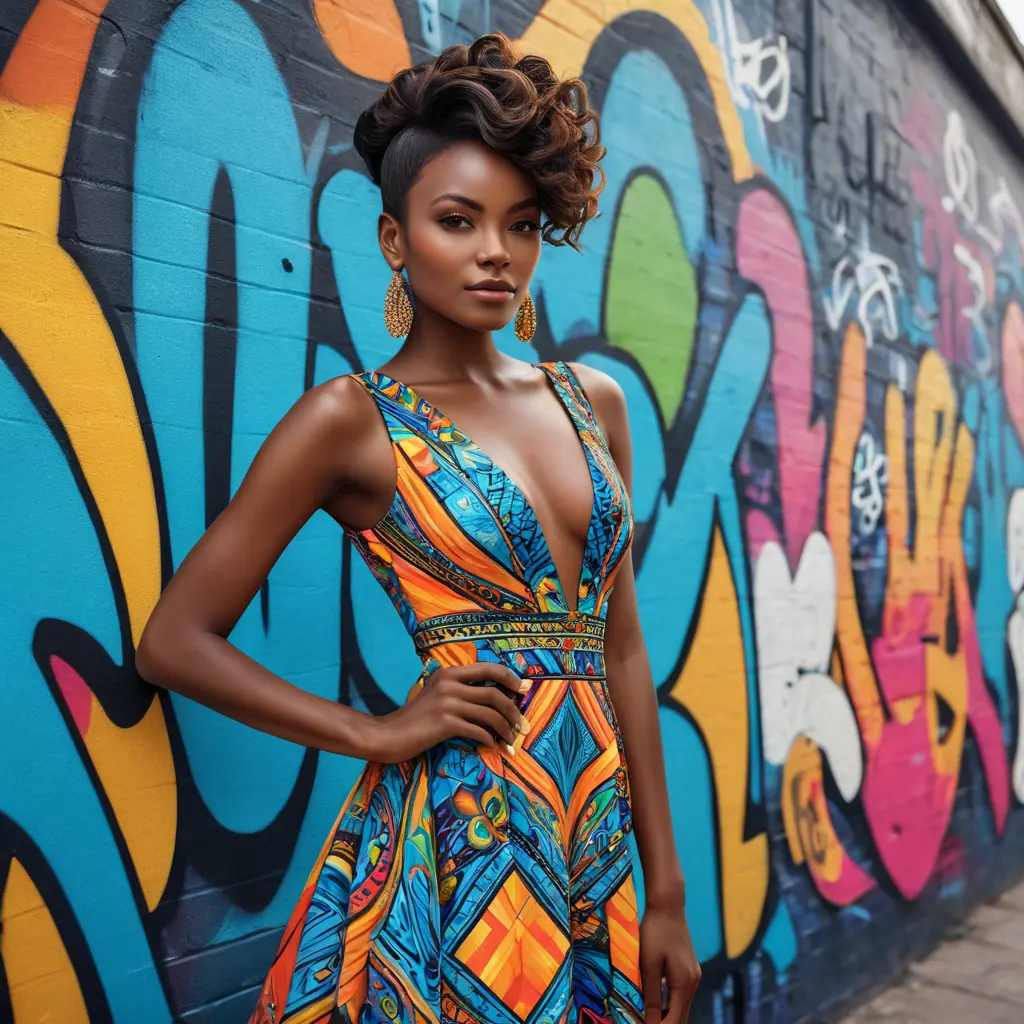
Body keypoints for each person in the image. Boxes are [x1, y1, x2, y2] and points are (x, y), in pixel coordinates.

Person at [136, 33, 700, 1024]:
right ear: (396, 238)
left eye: (521, 226)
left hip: (594, 840)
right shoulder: (351, 420)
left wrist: (667, 889)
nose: (495, 251)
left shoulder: (592, 401)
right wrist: (373, 729)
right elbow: (174, 639)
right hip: (460, 844)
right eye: (456, 220)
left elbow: (620, 650)